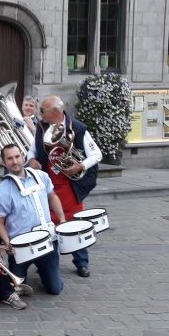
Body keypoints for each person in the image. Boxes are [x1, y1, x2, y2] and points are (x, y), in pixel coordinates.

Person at [27, 95, 102, 277]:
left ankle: (82, 262)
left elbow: (97, 154)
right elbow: (32, 149)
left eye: (42, 111)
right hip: (49, 186)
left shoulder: (77, 128)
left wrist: (81, 165)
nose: (40, 114)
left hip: (69, 186)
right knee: (47, 224)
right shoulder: (41, 126)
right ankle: (47, 261)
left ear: (55, 112)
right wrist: (30, 160)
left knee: (75, 223)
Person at [0, 144, 66, 294]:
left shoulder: (42, 176)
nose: (14, 161)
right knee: (17, 289)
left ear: (23, 156)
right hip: (21, 247)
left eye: (17, 156)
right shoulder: (2, 190)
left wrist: (62, 220)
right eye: (9, 158)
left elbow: (52, 196)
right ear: (3, 163)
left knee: (55, 289)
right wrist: (7, 243)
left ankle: (47, 273)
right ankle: (30, 272)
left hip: (47, 240)